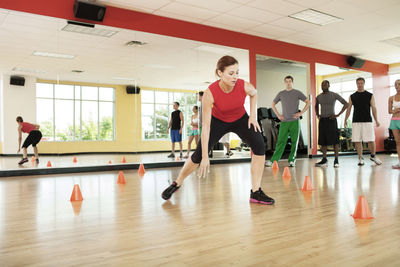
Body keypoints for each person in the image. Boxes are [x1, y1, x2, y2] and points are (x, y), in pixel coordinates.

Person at [162, 55, 274, 205]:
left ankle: (255, 192)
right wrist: (205, 156)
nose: (235, 77)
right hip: (218, 121)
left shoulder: (244, 85)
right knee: (197, 156)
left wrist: (252, 116)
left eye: (237, 73)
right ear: (220, 73)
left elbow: (254, 94)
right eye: (231, 73)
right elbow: (206, 126)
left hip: (240, 119)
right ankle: (177, 183)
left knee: (260, 146)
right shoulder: (210, 93)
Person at [265, 76, 310, 167]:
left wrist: (300, 113)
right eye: (286, 81)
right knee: (281, 141)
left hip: (294, 121)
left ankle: (292, 160)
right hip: (284, 122)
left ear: (292, 82)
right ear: (284, 83)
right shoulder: (281, 93)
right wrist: (278, 115)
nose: (288, 83)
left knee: (294, 142)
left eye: (290, 81)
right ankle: (274, 160)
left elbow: (308, 102)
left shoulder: (297, 93)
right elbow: (273, 104)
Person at [344, 77, 382, 166]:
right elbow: (348, 109)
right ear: (356, 84)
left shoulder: (370, 95)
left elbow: (374, 108)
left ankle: (373, 156)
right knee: (357, 140)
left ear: (364, 84)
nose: (360, 85)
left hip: (368, 121)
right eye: (358, 83)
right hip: (356, 121)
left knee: (371, 140)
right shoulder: (352, 96)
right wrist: (345, 119)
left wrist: (376, 120)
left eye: (361, 83)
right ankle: (360, 158)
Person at [315, 80, 348, 167]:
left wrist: (338, 114)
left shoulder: (334, 95)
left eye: (325, 85)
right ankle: (324, 159)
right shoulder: (318, 97)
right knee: (323, 141)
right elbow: (316, 105)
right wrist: (317, 114)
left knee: (335, 141)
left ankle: (336, 160)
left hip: (331, 120)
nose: (323, 86)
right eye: (322, 85)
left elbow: (346, 104)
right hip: (322, 120)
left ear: (329, 86)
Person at [388, 79, 400, 169]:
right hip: (394, 121)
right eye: (395, 84)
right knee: (398, 142)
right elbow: (389, 111)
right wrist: (394, 110)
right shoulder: (391, 98)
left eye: (399, 84)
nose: (397, 86)